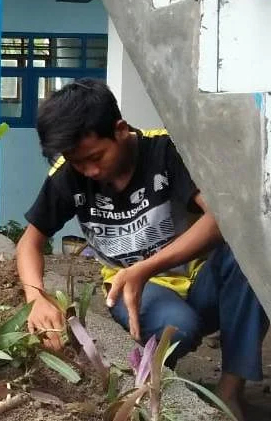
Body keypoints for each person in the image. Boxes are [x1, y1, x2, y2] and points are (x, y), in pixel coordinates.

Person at [15, 78, 267, 420]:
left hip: (199, 280)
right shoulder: (69, 174)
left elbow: (223, 220)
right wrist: (36, 297)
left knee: (253, 251)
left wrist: (146, 267)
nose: (90, 171)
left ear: (119, 129)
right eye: (78, 162)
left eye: (95, 157)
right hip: (137, 292)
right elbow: (30, 242)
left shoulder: (166, 150)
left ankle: (230, 392)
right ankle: (157, 386)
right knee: (175, 327)